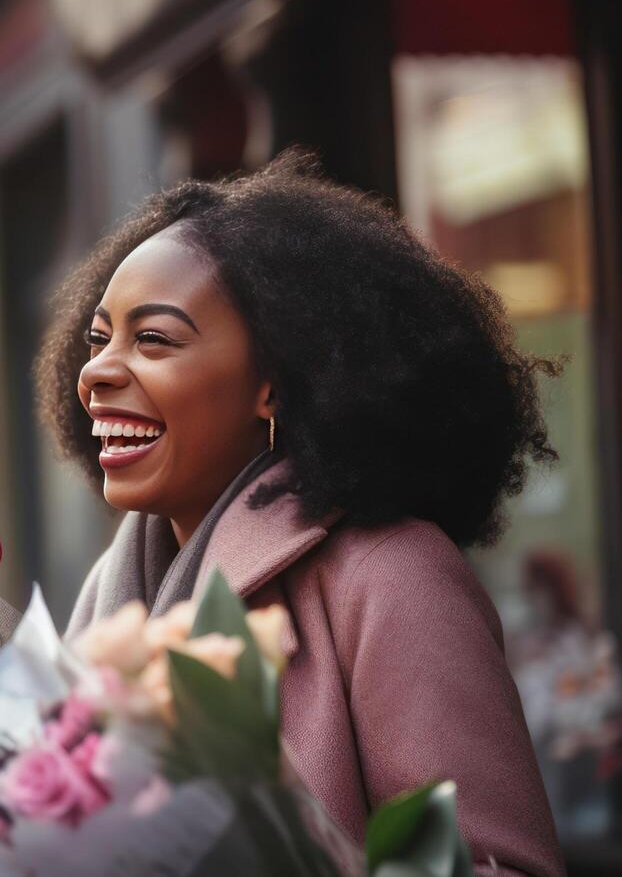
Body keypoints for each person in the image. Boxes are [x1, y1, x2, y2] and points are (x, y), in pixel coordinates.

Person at [45, 153, 565, 876]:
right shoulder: (110, 590)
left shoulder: (392, 576)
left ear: (274, 383)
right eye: (99, 340)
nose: (96, 372)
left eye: (153, 339)